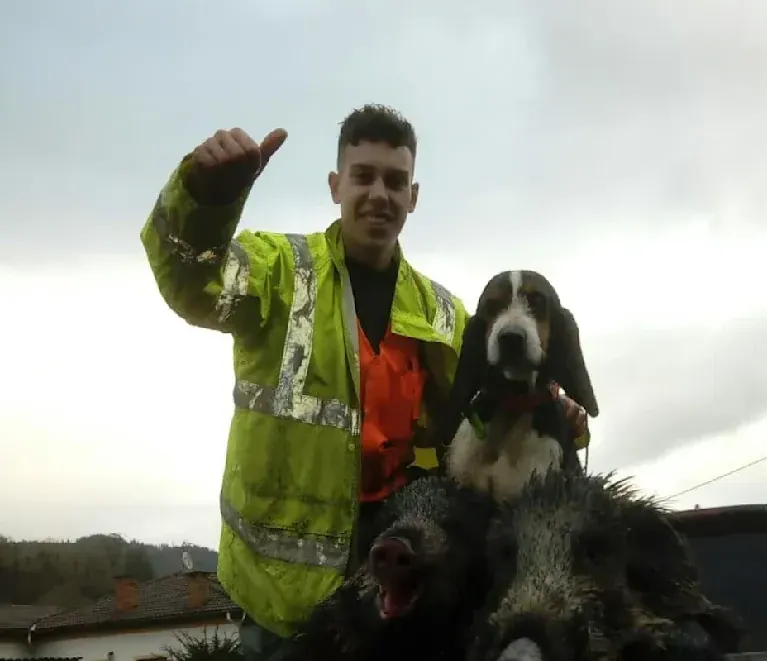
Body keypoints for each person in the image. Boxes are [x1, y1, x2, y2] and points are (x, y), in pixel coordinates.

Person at [139, 104, 591, 661]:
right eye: (364, 176)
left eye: (395, 181)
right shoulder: (279, 271)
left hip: (398, 596)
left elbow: (494, 405)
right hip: (283, 607)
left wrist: (564, 415)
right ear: (336, 185)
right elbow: (192, 281)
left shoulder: (444, 314)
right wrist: (204, 201)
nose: (379, 193)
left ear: (413, 197)